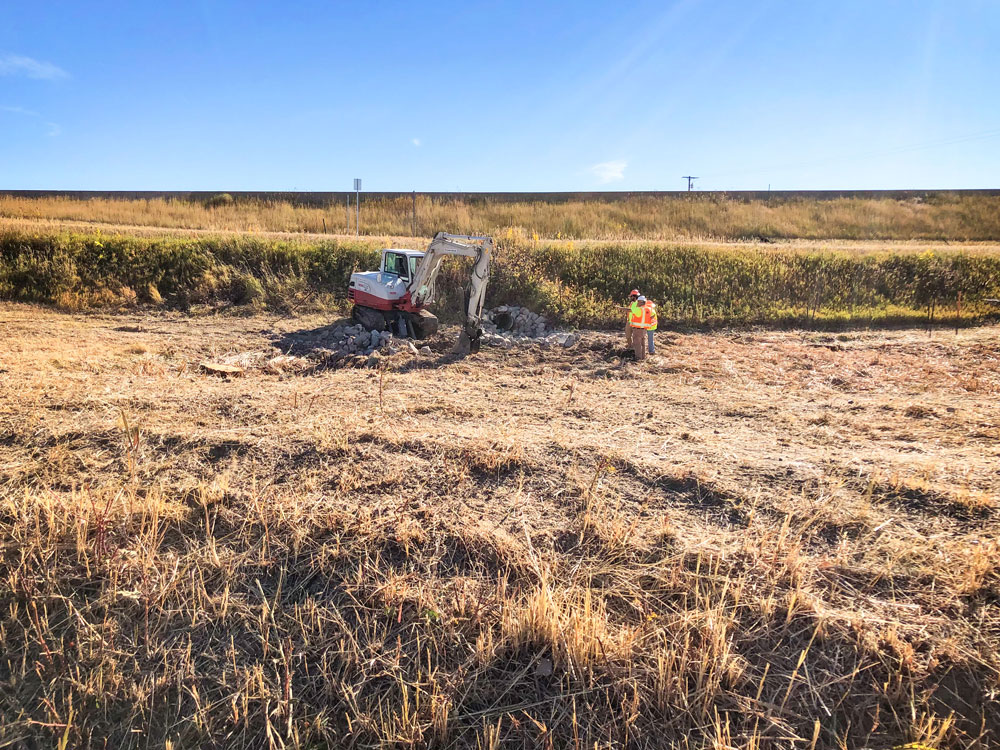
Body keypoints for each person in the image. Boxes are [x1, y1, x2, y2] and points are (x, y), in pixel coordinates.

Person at [629, 295, 651, 361]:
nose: (637, 303)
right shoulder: (648, 309)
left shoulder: (639, 310)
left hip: (637, 329)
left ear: (641, 302)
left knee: (637, 344)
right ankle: (643, 357)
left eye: (638, 301)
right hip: (644, 329)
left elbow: (631, 310)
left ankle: (638, 358)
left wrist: (620, 308)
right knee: (642, 344)